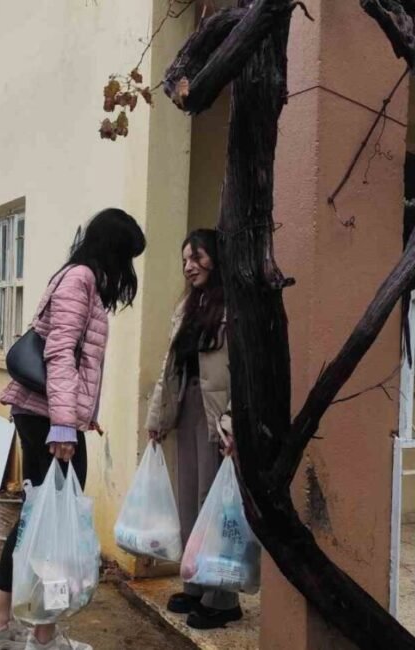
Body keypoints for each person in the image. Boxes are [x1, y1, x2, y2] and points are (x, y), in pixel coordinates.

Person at [0, 208, 147, 650]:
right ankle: (33, 632)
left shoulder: (80, 279)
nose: (127, 269)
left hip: (49, 416)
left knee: (39, 520)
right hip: (48, 420)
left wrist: (74, 418)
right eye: (127, 256)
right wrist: (63, 426)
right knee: (52, 523)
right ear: (112, 250)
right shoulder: (81, 280)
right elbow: (59, 352)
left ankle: (11, 626)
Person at [146, 228, 256, 630]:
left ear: (217, 260)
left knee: (216, 503)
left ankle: (222, 597)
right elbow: (169, 367)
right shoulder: (189, 305)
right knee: (190, 500)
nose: (189, 267)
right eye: (185, 260)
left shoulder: (236, 308)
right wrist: (157, 419)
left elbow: (245, 373)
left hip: (218, 417)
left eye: (197, 258)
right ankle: (195, 583)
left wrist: (233, 424)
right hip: (188, 407)